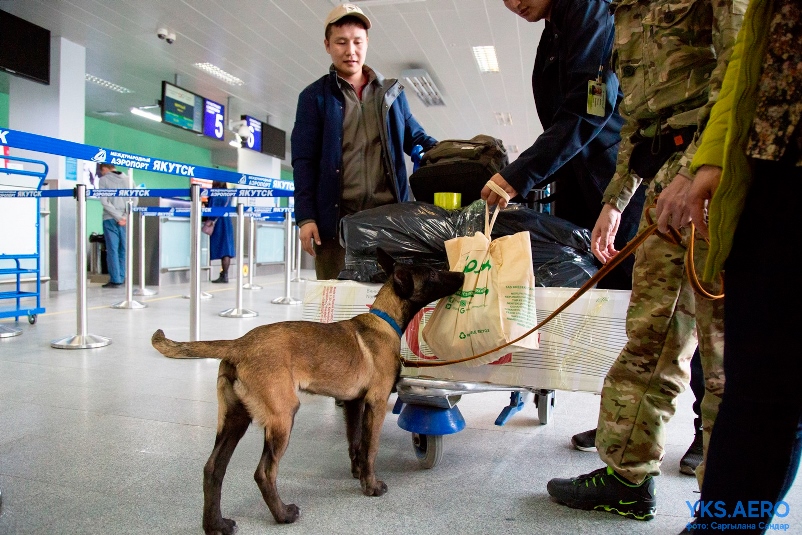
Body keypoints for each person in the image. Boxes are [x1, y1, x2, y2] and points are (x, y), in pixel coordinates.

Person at [543, 0, 745, 521]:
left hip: (709, 185)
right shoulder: (620, 13)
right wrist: (616, 200)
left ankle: (729, 506)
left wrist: (694, 172)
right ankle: (626, 479)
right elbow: (636, 118)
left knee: (723, 359)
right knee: (648, 342)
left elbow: (739, 75)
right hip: (661, 187)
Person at [671, 0, 801, 530]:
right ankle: (719, 527)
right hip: (771, 167)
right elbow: (748, 58)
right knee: (759, 383)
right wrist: (713, 155)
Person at [481, 0, 645, 291]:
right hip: (582, 188)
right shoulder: (553, 34)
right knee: (592, 291)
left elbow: (591, 107)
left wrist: (521, 174)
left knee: (633, 290)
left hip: (617, 187)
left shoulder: (589, 11)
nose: (514, 3)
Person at [291, 3, 437, 280]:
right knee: (336, 308)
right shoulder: (314, 97)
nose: (350, 51)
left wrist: (454, 153)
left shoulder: (391, 95)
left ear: (367, 42)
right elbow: (304, 162)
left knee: (390, 306)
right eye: (341, 42)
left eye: (357, 42)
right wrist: (306, 218)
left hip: (389, 223)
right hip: (337, 225)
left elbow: (417, 138)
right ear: (327, 45)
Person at [97, 163, 136, 288]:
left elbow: (104, 201)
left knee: (112, 249)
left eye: (101, 171)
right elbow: (134, 200)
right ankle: (123, 276)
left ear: (104, 169)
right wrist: (124, 217)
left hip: (109, 218)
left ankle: (115, 279)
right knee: (124, 249)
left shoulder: (103, 180)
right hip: (126, 219)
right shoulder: (129, 180)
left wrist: (117, 217)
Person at [206, 181, 235, 284]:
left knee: (221, 247)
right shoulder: (228, 194)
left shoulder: (215, 193)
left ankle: (224, 275)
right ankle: (225, 274)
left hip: (218, 224)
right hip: (227, 222)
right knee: (226, 249)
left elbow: (211, 209)